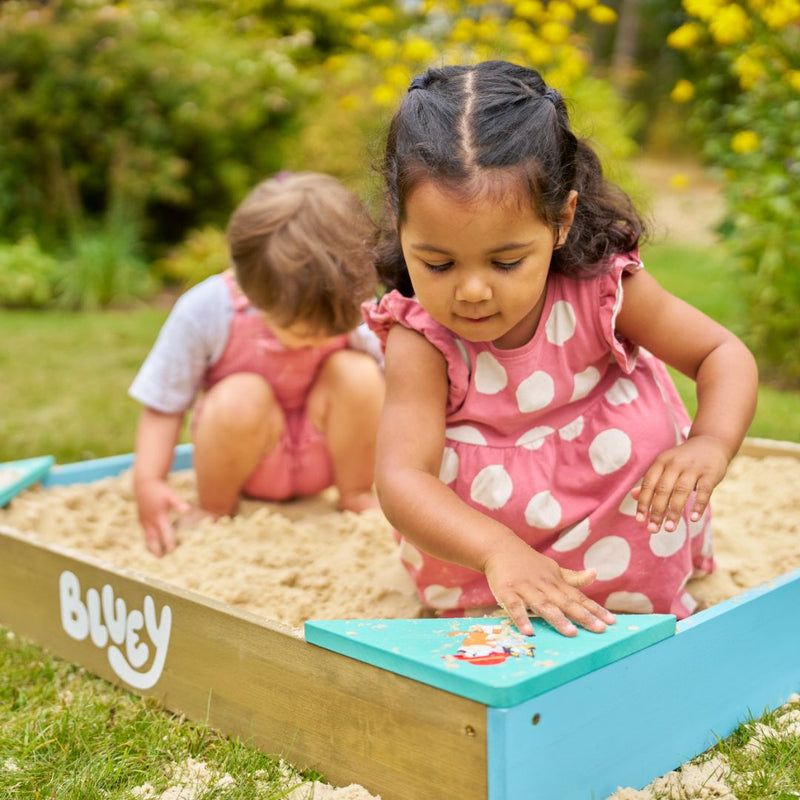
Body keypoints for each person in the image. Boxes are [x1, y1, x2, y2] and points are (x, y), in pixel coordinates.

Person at [364, 61, 758, 637]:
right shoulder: (420, 337)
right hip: (486, 550)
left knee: (645, 436)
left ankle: (633, 589)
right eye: (438, 262)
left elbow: (720, 353)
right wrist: (499, 551)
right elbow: (403, 480)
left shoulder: (600, 288)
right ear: (401, 225)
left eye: (505, 262)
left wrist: (710, 443)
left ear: (561, 220)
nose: (472, 290)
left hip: (617, 512)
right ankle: (512, 584)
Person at [130, 171, 385, 557]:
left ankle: (357, 494)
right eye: (301, 331)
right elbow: (164, 403)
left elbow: (401, 393)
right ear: (252, 292)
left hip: (328, 453)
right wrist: (149, 480)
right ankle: (214, 509)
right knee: (240, 394)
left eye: (329, 330)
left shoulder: (344, 302)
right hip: (248, 459)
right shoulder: (206, 311)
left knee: (360, 373)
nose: (317, 340)